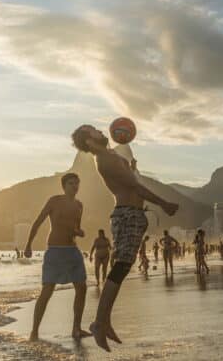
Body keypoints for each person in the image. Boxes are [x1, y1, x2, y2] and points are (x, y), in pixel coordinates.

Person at [72, 124, 178, 352]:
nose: (100, 131)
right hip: (127, 214)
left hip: (132, 214)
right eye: (94, 131)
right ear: (89, 141)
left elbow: (130, 179)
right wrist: (164, 204)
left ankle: (105, 321)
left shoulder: (111, 156)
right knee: (120, 267)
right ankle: (99, 322)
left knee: (123, 266)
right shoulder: (106, 159)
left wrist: (131, 167)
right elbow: (135, 187)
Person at [24, 173, 89, 341]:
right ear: (64, 186)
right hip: (55, 251)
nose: (74, 186)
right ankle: (34, 331)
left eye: (77, 184)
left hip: (72, 251)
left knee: (82, 287)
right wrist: (28, 244)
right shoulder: (54, 201)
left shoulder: (79, 205)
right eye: (71, 183)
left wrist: (79, 232)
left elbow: (76, 228)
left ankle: (76, 328)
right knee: (47, 290)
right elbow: (38, 222)